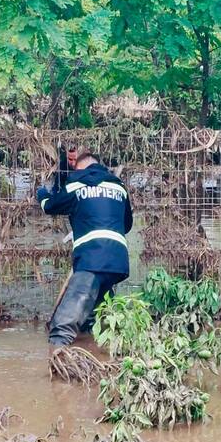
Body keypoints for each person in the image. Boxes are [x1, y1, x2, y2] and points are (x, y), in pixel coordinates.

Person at [36, 148, 133, 346]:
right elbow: (127, 224)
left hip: (91, 260)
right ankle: (99, 357)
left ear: (81, 166)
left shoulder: (76, 184)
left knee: (63, 325)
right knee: (95, 317)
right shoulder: (119, 186)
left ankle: (57, 364)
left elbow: (50, 207)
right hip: (117, 262)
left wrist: (42, 193)